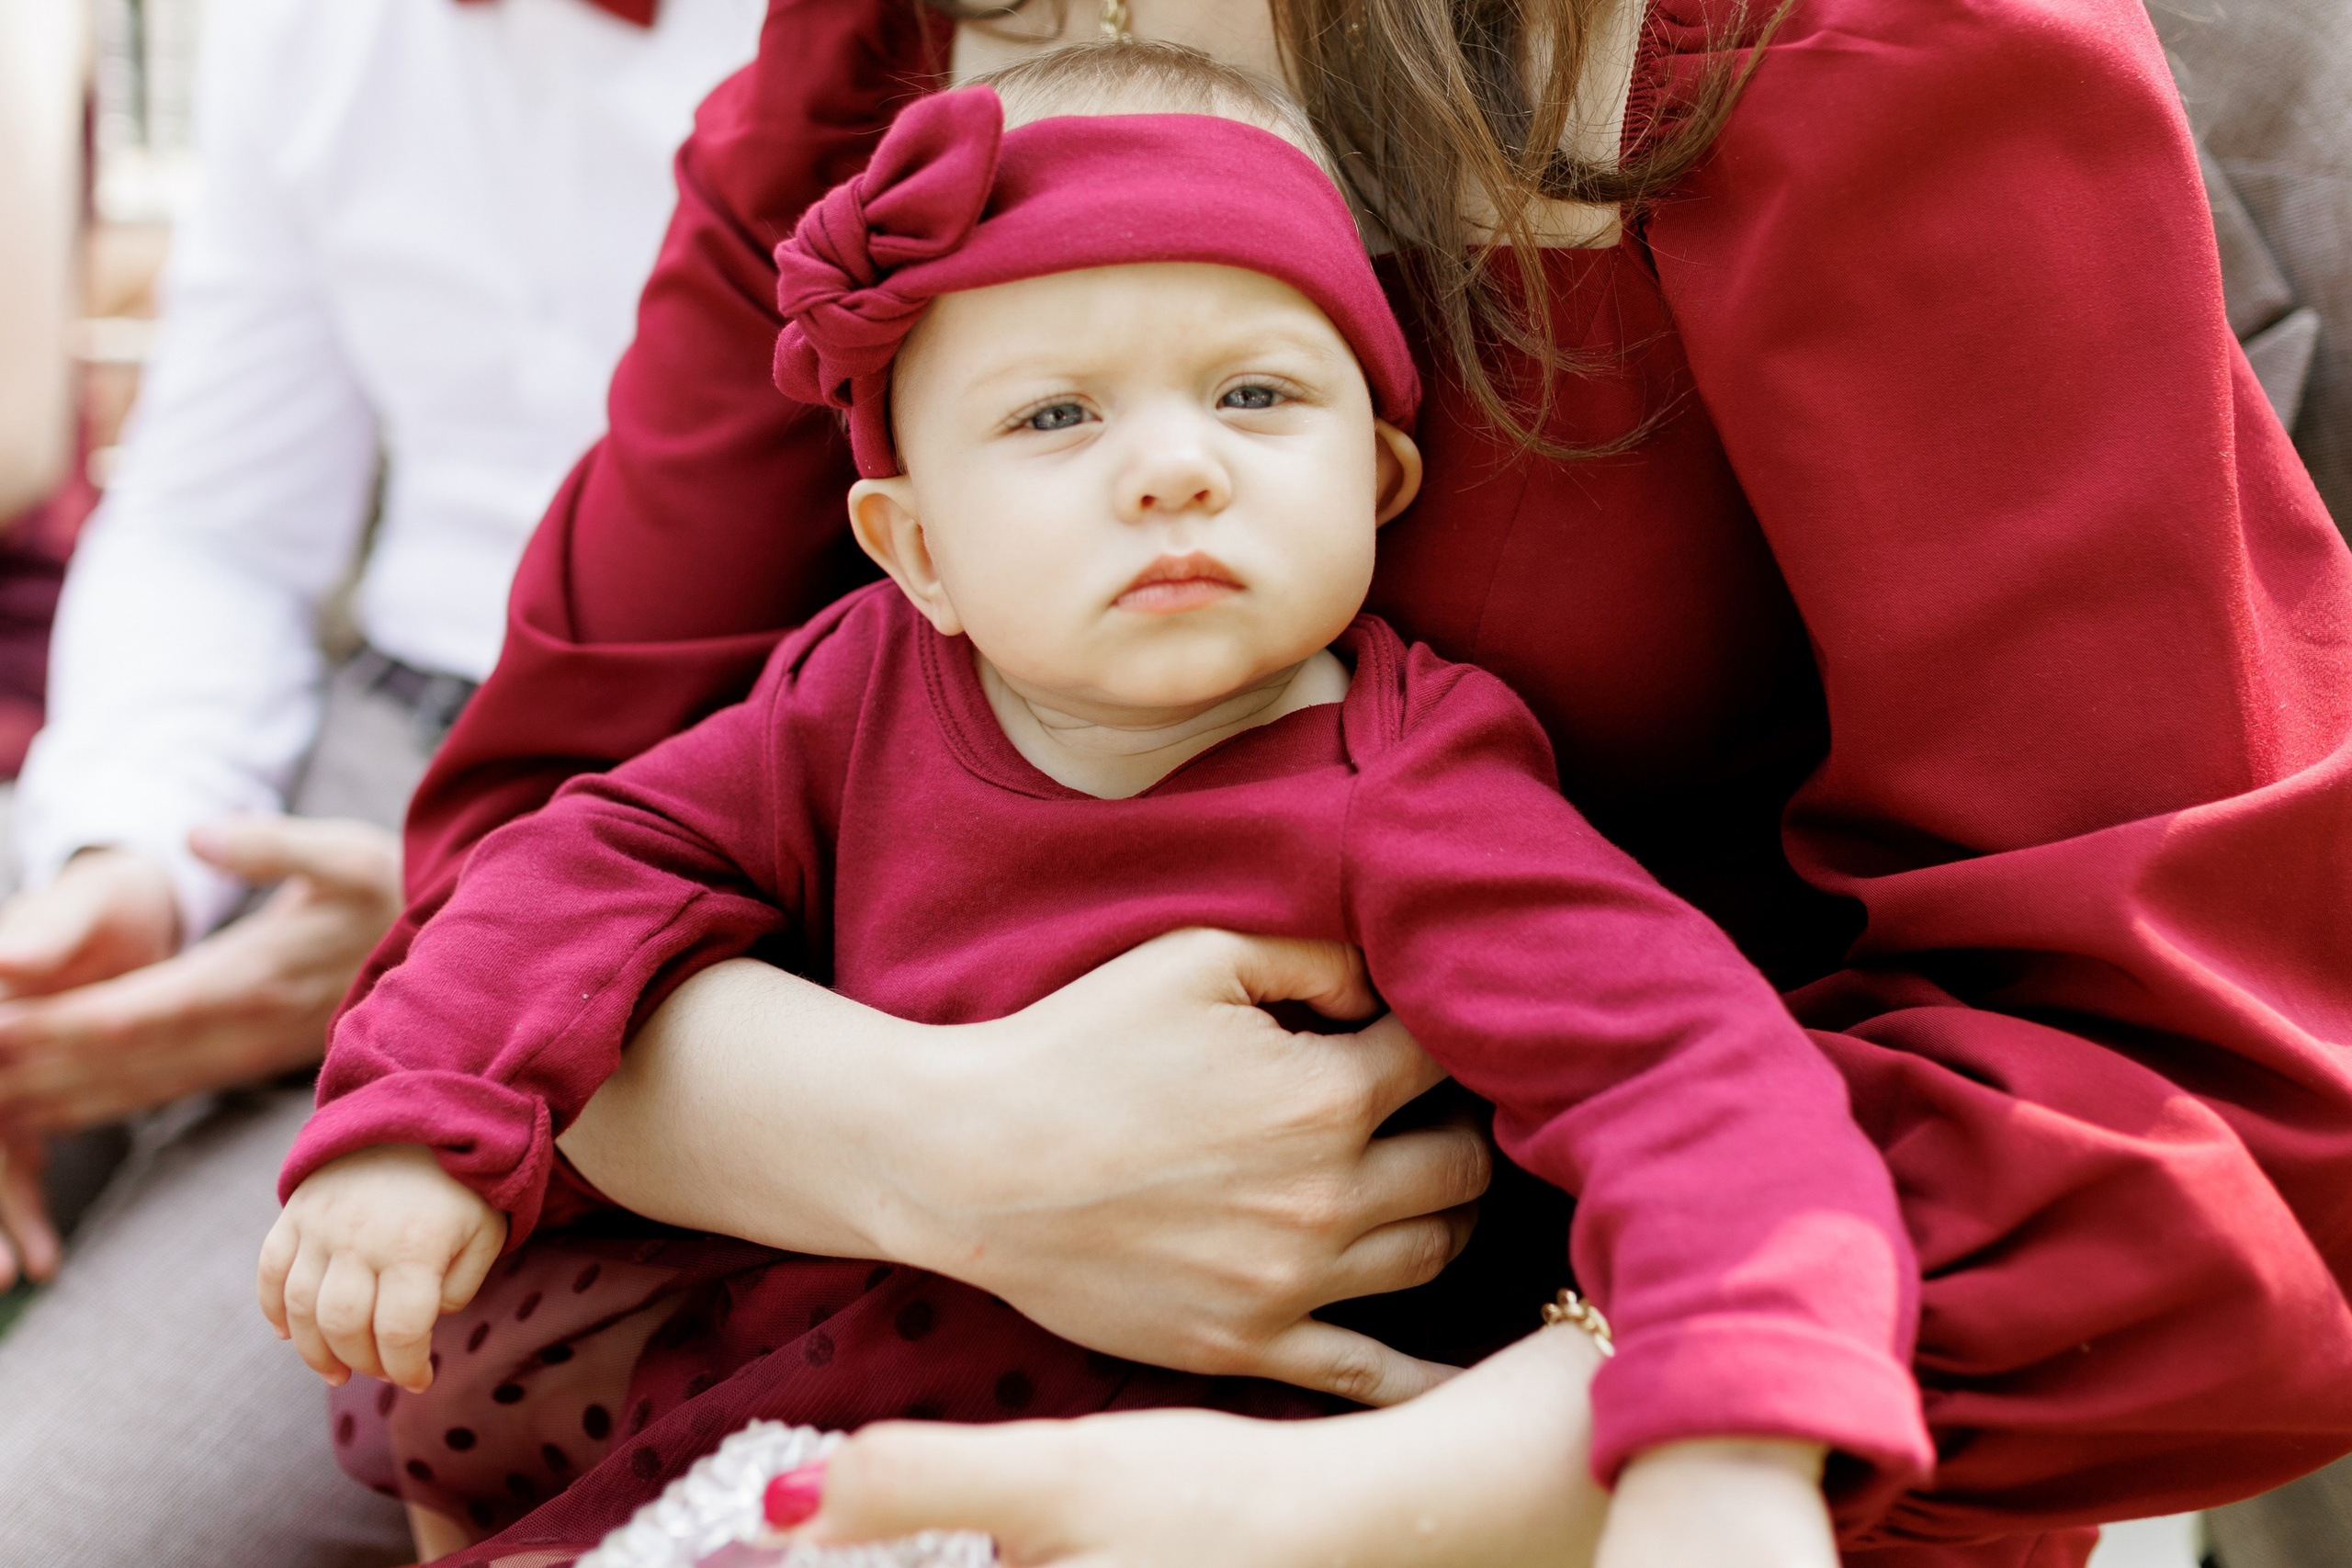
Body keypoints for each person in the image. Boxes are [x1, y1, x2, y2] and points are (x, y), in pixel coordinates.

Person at [368, 0, 2352, 1563]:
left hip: (1576, 1410)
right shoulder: (879, 51)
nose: (1167, 471)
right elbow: (534, 837)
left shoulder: (1863, 47)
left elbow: (2197, 1089)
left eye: (1253, 398)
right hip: (769, 1325)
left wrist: (1419, 1488)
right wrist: (951, 1144)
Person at [0, 0, 760, 1562]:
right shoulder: (308, 27)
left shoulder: (908, 46)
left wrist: (452, 920)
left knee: (60, 1529)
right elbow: (217, 522)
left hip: (670, 832)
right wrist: (132, 857)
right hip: (329, 752)